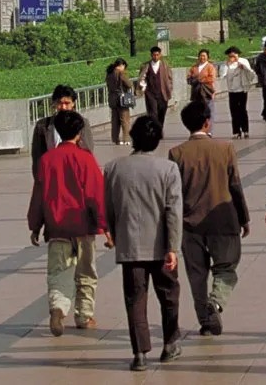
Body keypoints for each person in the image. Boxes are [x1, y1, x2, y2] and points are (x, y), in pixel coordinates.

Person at [104, 114, 184, 369]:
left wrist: (114, 233)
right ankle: (170, 343)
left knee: (135, 298)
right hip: (161, 247)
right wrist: (173, 247)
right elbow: (173, 210)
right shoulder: (168, 169)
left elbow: (110, 207)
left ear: (133, 137)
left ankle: (139, 352)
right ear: (157, 139)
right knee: (169, 294)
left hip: (130, 245)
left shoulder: (114, 168)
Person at [168, 101, 250, 335]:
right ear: (207, 121)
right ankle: (215, 303)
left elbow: (173, 195)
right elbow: (235, 186)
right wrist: (244, 218)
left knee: (196, 275)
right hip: (223, 221)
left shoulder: (177, 153)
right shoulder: (225, 149)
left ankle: (205, 320)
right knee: (226, 268)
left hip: (190, 225)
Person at [27, 109, 106, 335]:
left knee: (58, 273)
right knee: (86, 274)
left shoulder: (46, 160)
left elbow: (39, 195)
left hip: (57, 227)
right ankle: (84, 315)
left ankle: (59, 308)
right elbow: (96, 195)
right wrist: (106, 226)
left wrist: (35, 225)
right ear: (79, 134)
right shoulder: (86, 159)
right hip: (83, 227)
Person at [32, 84, 97, 178]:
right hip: (52, 172)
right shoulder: (42, 125)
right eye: (59, 103)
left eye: (67, 103)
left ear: (73, 103)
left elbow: (88, 149)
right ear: (54, 103)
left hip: (74, 173)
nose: (63, 107)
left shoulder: (82, 123)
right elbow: (37, 155)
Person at [219, 45, 256, 138]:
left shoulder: (243, 61)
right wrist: (227, 65)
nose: (232, 57)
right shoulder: (226, 64)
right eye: (230, 56)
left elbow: (251, 74)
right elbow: (222, 75)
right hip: (232, 91)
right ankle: (236, 131)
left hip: (242, 89)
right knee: (234, 111)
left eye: (234, 55)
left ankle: (245, 130)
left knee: (242, 110)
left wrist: (243, 67)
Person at [140, 45, 174, 130]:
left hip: (162, 93)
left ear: (160, 55)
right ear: (151, 55)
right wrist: (144, 88)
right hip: (150, 93)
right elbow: (141, 77)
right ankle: (155, 130)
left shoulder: (165, 65)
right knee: (153, 113)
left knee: (161, 112)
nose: (155, 57)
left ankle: (160, 128)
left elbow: (170, 78)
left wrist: (169, 88)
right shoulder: (146, 65)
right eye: (154, 55)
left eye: (157, 55)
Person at [106, 58, 136, 146]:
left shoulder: (109, 73)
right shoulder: (120, 73)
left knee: (115, 120)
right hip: (121, 99)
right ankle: (126, 139)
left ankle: (116, 139)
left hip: (112, 98)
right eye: (124, 66)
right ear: (121, 65)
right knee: (124, 119)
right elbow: (129, 84)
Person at [186, 49, 217, 125]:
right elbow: (189, 78)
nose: (202, 57)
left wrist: (200, 79)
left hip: (207, 92)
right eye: (201, 56)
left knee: (207, 112)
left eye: (204, 56)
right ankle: (199, 129)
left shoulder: (210, 67)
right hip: (196, 93)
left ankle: (208, 130)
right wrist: (194, 80)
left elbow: (212, 78)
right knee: (197, 112)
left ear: (207, 57)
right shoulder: (194, 67)